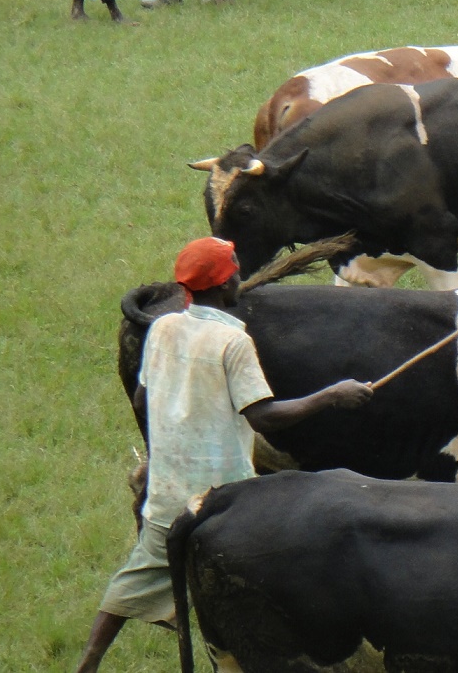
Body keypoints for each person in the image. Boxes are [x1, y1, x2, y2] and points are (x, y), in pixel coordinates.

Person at [72, 237, 373, 673]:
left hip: (169, 492)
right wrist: (332, 395)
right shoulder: (233, 341)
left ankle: (88, 664)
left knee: (133, 582)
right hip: (224, 499)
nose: (239, 275)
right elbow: (265, 416)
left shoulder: (163, 328)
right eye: (234, 268)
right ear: (220, 283)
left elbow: (143, 399)